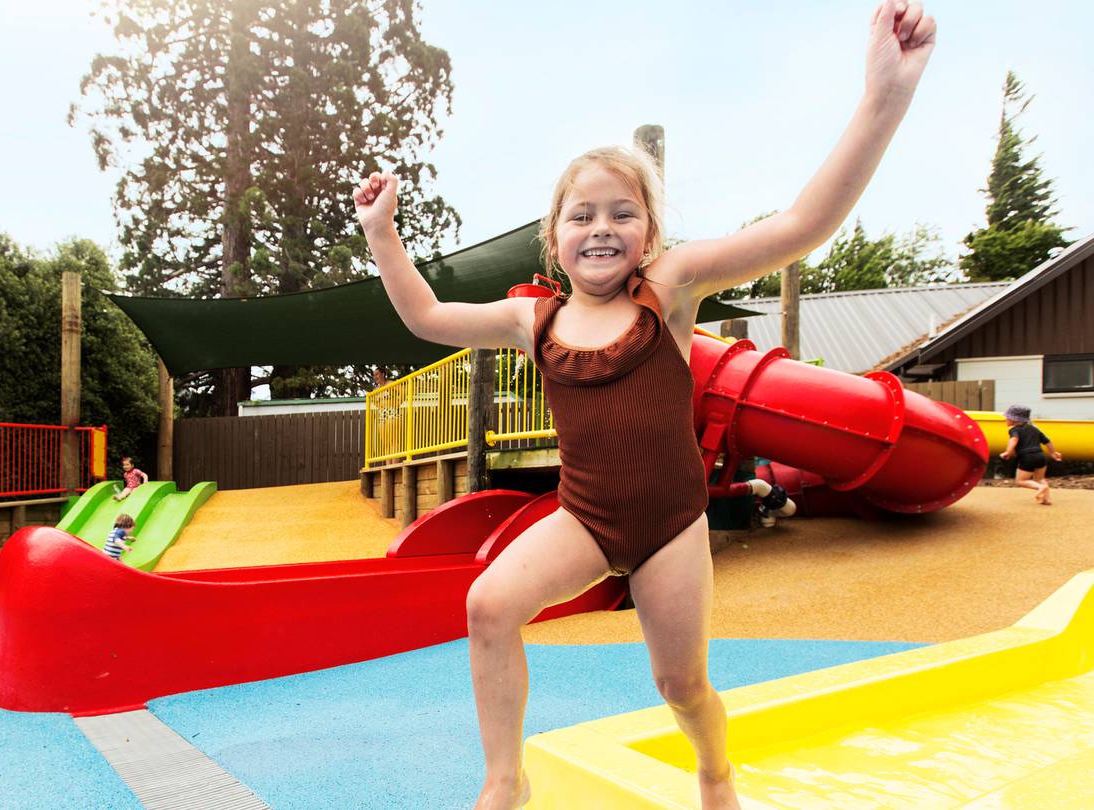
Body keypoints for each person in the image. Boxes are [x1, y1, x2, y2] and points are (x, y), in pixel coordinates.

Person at [352, 4, 936, 807]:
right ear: (553, 235)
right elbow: (424, 318)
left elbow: (803, 224)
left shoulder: (670, 290)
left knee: (681, 684)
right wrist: (384, 234)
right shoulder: (534, 320)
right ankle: (503, 779)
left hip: (669, 525)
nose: (601, 228)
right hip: (584, 519)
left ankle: (714, 768)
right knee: (487, 604)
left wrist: (884, 96)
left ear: (650, 231)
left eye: (622, 213)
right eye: (581, 214)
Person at [999, 404, 1062, 505]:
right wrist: (1053, 453)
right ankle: (1046, 499)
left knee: (1020, 481)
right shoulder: (1034, 429)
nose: (1005, 418)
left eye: (1007, 417)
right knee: (1040, 479)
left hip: (1027, 457)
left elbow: (1014, 439)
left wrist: (1008, 452)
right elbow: (1047, 441)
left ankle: (1040, 488)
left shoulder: (1014, 430)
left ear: (1014, 419)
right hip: (1041, 456)